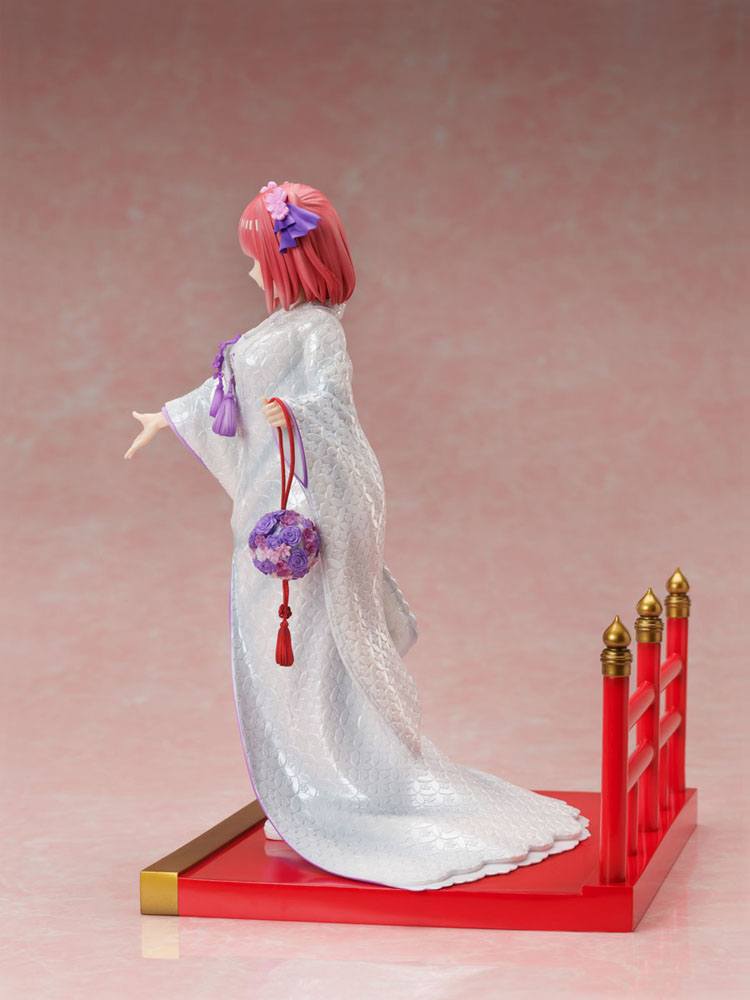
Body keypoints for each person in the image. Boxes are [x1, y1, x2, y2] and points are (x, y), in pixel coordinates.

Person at [124, 180, 590, 890]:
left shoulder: (319, 330)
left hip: (309, 517)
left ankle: (346, 786)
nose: (249, 270)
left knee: (315, 654)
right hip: (268, 508)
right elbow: (228, 393)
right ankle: (306, 782)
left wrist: (295, 414)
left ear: (292, 262)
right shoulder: (275, 329)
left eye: (258, 258)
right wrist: (168, 416)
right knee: (279, 657)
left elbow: (331, 405)